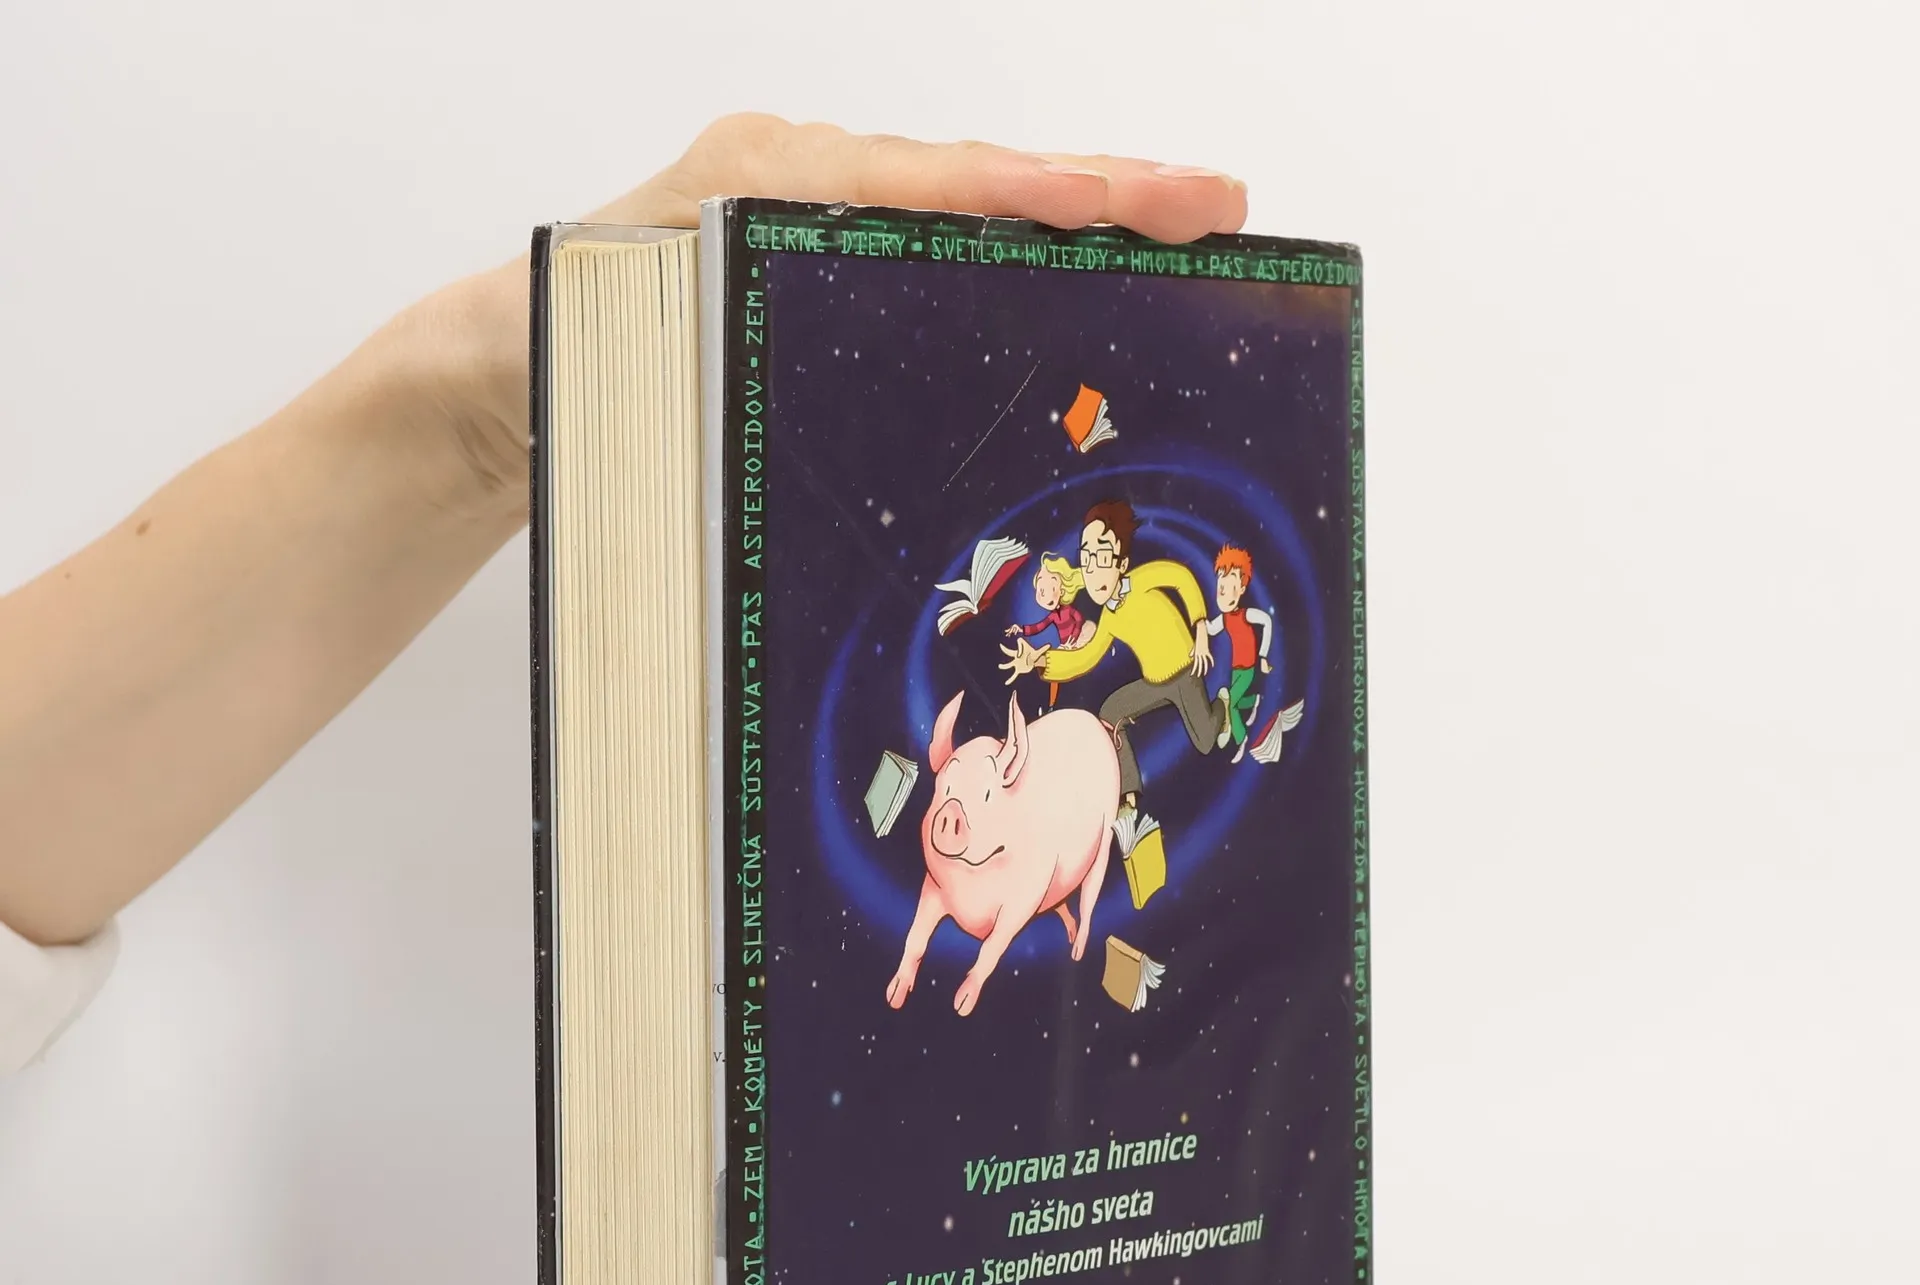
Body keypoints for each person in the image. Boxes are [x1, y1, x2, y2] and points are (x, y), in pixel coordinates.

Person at [0, 116, 1247, 1075]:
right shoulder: (1048, 632)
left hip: (1118, 700)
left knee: (1151, 724)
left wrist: (462, 425)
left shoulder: (1131, 609)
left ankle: (1204, 723)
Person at [1002, 497, 1227, 812]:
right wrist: (1038, 659)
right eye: (1087, 558)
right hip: (1154, 682)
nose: (1093, 569)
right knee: (1111, 710)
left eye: (1103, 557)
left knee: (1204, 741)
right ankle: (1128, 792)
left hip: (1187, 671)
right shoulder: (1108, 618)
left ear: (1121, 563)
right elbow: (1086, 656)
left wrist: (1200, 630)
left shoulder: (1140, 580)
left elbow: (1181, 578)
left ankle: (1221, 707)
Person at [1204, 543, 1274, 762]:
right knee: (1239, 699)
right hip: (1236, 668)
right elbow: (1211, 629)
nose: (1224, 591)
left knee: (1231, 703)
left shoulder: (1245, 614)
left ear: (1242, 589)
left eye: (1231, 585)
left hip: (1248, 668)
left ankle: (1241, 739)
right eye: (1221, 586)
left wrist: (1262, 656)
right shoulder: (1224, 619)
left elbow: (1267, 621)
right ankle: (1254, 701)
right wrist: (1198, 624)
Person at [1003, 551, 1092, 705]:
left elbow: (1079, 620)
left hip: (1078, 640)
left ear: (1062, 590)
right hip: (1066, 647)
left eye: (1049, 585)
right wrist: (1021, 629)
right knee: (1054, 673)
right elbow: (1038, 627)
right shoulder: (1053, 616)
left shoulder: (1068, 610)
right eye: (1040, 590)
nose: (1042, 593)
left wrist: (1075, 636)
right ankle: (1052, 704)